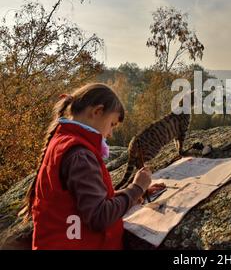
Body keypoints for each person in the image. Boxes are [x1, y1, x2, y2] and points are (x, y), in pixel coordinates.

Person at [21, 83, 164, 249]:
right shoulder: (81, 156)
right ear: (97, 112)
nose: (110, 134)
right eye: (112, 124)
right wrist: (136, 188)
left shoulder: (64, 140)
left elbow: (83, 201)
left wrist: (133, 195)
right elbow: (98, 217)